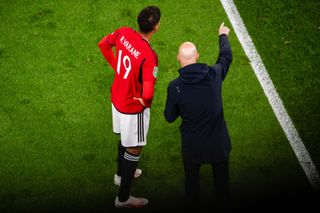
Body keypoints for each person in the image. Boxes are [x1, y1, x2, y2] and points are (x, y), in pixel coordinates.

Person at [164, 23, 232, 209]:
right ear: (197, 56)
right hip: (218, 144)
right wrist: (222, 35)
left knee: (192, 186)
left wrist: (181, 107)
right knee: (222, 187)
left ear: (178, 59)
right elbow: (226, 56)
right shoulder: (214, 74)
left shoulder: (174, 87)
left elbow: (169, 117)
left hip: (193, 146)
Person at [98, 6, 161, 208]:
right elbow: (149, 92)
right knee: (134, 147)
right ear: (156, 27)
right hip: (133, 108)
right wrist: (146, 103)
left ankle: (120, 174)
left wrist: (116, 65)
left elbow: (103, 44)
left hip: (117, 97)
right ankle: (123, 198)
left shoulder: (124, 32)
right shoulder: (149, 55)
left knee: (125, 139)